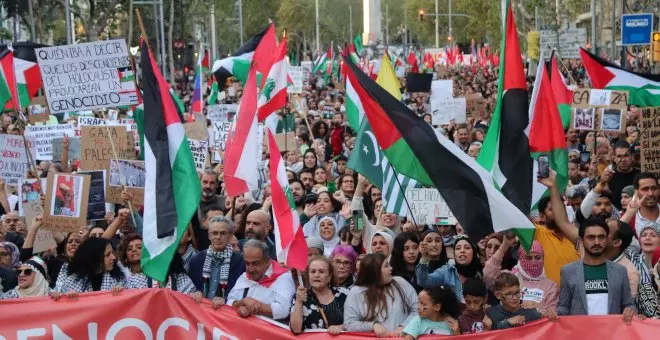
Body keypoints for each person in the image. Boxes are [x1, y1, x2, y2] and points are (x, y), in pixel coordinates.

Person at [556, 218, 638, 323]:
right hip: (580, 334)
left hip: (612, 334)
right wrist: (554, 314)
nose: (597, 242)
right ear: (581, 240)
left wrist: (630, 310)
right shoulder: (568, 271)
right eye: (591, 237)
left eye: (601, 237)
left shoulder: (620, 271)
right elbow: (564, 307)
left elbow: (628, 304)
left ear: (607, 239)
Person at [343, 253, 418, 337]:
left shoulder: (400, 282)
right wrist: (372, 325)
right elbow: (349, 324)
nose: (391, 268)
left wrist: (404, 326)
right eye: (386, 266)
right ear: (375, 271)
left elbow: (417, 309)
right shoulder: (356, 292)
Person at [484, 235, 558, 314]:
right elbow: (488, 276)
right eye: (528, 258)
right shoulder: (509, 277)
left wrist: (535, 310)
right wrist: (504, 245)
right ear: (520, 259)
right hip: (510, 324)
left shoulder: (550, 285)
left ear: (543, 259)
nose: (533, 262)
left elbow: (551, 313)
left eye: (537, 258)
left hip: (538, 325)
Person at [226, 239, 295, 321]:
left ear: (267, 261)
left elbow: (283, 310)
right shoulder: (244, 276)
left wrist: (253, 308)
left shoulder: (284, 278)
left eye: (255, 263)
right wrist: (243, 302)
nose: (250, 269)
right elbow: (229, 301)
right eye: (247, 263)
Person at [536, 171, 581, 284]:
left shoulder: (576, 236)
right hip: (550, 298)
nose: (557, 213)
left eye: (560, 208)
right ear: (542, 216)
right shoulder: (537, 234)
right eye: (551, 209)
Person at [189, 216, 245, 305]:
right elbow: (191, 288)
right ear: (209, 235)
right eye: (214, 233)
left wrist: (226, 300)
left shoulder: (241, 261)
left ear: (230, 235)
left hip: (227, 314)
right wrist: (195, 292)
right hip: (201, 312)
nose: (218, 237)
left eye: (223, 233)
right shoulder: (196, 260)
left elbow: (244, 292)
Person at [290, 256, 347, 334]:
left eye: (321, 272)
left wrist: (341, 327)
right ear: (308, 275)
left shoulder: (344, 295)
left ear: (330, 276)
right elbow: (296, 329)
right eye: (313, 271)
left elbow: (357, 322)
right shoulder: (299, 296)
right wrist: (299, 302)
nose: (316, 275)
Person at [417, 235, 482, 302]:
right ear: (454, 253)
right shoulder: (447, 270)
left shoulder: (481, 272)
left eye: (467, 248)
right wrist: (424, 259)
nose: (462, 251)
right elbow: (424, 282)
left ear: (474, 252)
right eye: (458, 248)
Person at [52, 237, 126, 296]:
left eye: (112, 253)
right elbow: (56, 298)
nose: (113, 257)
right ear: (95, 258)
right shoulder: (72, 281)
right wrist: (65, 298)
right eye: (107, 255)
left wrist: (122, 292)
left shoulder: (118, 280)